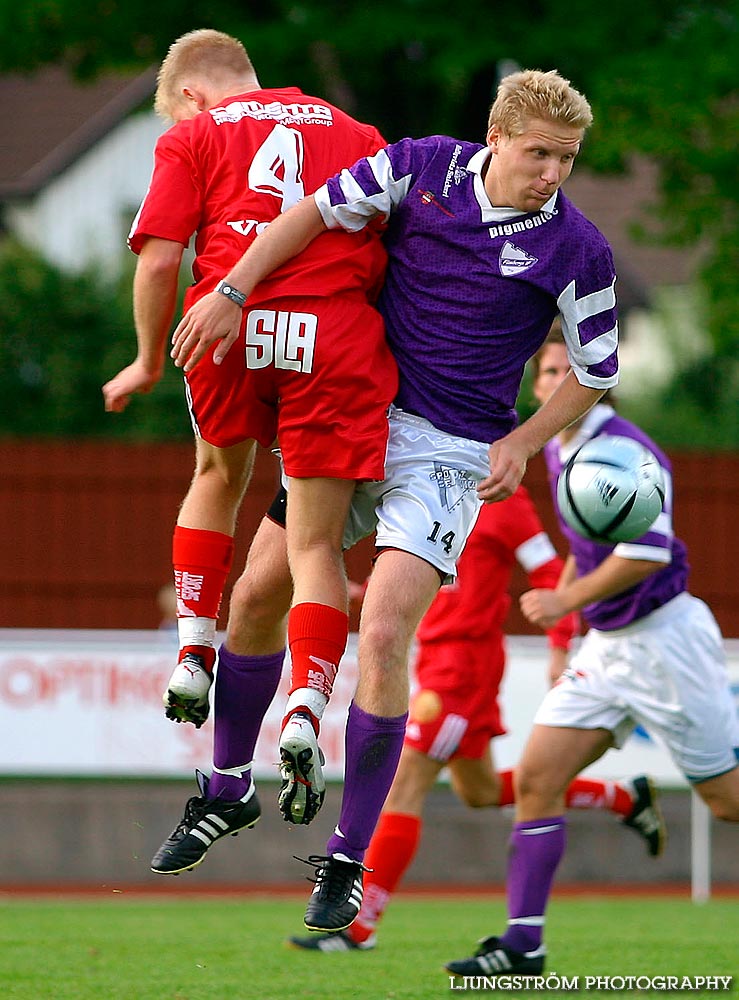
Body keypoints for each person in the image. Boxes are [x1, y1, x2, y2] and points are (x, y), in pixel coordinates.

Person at [159, 68, 620, 934]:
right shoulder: (421, 168)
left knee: (380, 633)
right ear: (495, 138)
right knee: (256, 594)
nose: (553, 172)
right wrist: (230, 288)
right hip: (354, 411)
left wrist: (521, 441)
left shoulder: (576, 247)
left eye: (566, 158)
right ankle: (225, 786)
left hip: (448, 456)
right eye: (538, 153)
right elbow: (308, 214)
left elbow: (597, 372)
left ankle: (344, 859)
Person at [101, 29, 399, 831]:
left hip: (228, 323)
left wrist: (144, 361)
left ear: (192, 95)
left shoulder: (194, 135)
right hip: (332, 337)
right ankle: (306, 703)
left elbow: (160, 259)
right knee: (313, 544)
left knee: (215, 478)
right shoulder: (355, 132)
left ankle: (196, 649)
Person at [445, 326, 739, 979]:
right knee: (537, 780)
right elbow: (591, 547)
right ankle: (523, 947)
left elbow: (647, 553)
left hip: (665, 642)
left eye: (562, 374)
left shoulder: (624, 451)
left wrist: (562, 601)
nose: (549, 386)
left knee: (726, 803)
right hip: (606, 648)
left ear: (594, 382)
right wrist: (572, 636)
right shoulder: (557, 446)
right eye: (544, 375)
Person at [287, 485, 666, 952]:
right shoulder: (432, 477)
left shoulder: (506, 498)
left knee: (404, 784)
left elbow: (549, 570)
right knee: (481, 790)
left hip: (464, 670)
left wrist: (559, 644)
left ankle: (359, 927)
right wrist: (369, 593)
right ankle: (622, 798)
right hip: (433, 660)